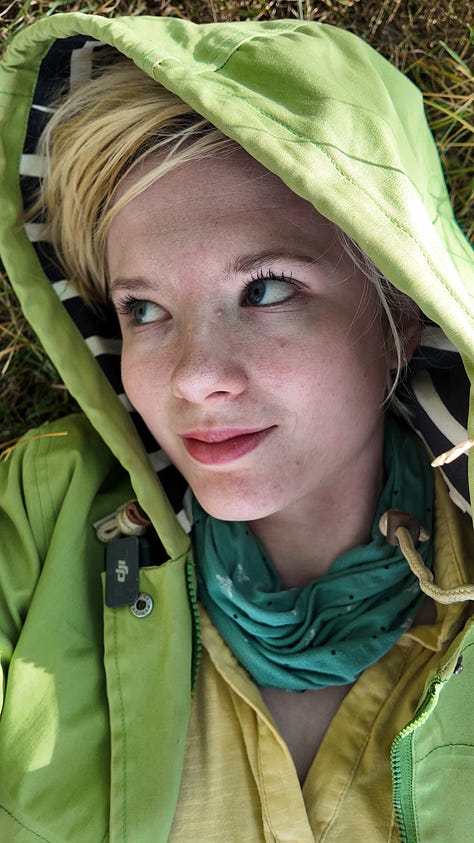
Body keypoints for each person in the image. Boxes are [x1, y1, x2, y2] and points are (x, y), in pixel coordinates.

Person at [0, 13, 473, 843]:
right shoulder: (43, 520)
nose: (191, 375)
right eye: (144, 309)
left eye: (263, 289)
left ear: (401, 311)